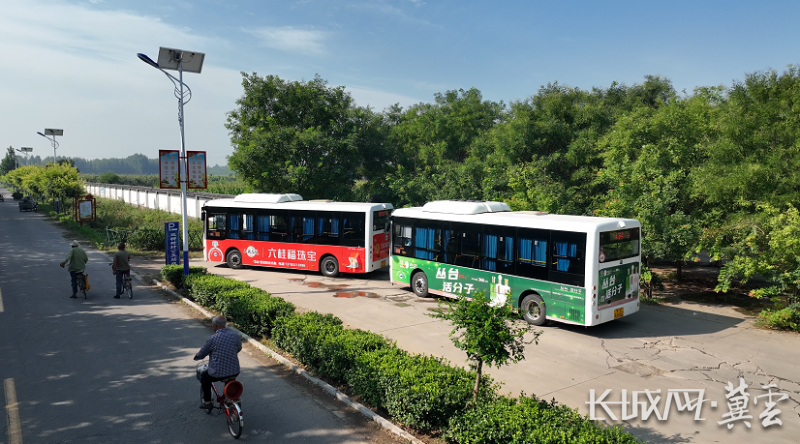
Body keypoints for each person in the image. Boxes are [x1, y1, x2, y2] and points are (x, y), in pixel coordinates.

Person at [194, 316, 241, 409]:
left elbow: (202, 353)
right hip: (235, 370)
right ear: (225, 324)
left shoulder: (213, 339)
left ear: (215, 325)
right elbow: (238, 348)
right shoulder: (235, 335)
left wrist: (197, 356)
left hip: (217, 373)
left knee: (205, 377)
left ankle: (207, 402)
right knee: (230, 377)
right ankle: (229, 398)